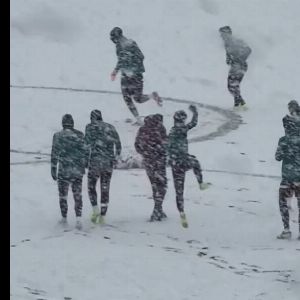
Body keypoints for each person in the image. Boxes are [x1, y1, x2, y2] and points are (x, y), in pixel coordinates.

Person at [168, 105, 211, 228]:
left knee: (179, 190)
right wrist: (195, 112)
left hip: (175, 164)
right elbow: (193, 123)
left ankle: (181, 213)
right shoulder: (181, 130)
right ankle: (201, 183)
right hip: (183, 160)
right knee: (195, 162)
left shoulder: (172, 131)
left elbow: (167, 148)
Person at [110, 27, 162, 125]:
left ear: (118, 36)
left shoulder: (131, 44)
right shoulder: (118, 47)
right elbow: (121, 60)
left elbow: (141, 56)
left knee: (137, 99)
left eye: (114, 38)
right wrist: (115, 71)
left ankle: (152, 96)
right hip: (125, 75)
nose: (114, 41)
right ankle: (139, 119)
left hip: (135, 75)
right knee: (128, 98)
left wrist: (132, 68)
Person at [51, 114, 88, 230]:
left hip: (63, 170)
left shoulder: (57, 136)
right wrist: (84, 165)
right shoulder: (80, 135)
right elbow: (85, 152)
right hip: (77, 169)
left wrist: (53, 169)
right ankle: (78, 218)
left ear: (63, 123)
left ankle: (64, 217)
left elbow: (54, 154)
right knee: (77, 195)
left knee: (63, 195)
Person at [85, 110, 122, 224]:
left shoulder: (90, 127)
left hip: (94, 162)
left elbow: (86, 145)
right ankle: (103, 214)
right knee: (105, 188)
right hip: (107, 162)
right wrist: (115, 157)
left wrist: (86, 160)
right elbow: (118, 144)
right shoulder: (110, 127)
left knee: (91, 187)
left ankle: (95, 208)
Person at [135, 114, 168, 221]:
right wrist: (161, 153)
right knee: (162, 185)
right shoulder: (160, 129)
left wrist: (145, 153)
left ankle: (158, 208)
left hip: (148, 161)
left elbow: (137, 145)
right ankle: (157, 208)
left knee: (154, 184)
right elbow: (165, 144)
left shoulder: (143, 129)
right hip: (159, 161)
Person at [275, 116, 300, 240]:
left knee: (283, 202)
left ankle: (286, 229)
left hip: (287, 178)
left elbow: (278, 157)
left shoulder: (283, 140)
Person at [219, 26, 251, 109]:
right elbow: (229, 54)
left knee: (233, 85)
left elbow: (248, 49)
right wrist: (229, 60)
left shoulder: (236, 41)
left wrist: (240, 59)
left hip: (240, 66)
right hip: (234, 66)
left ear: (228, 34)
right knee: (231, 86)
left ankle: (239, 104)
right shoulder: (226, 44)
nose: (221, 36)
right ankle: (239, 103)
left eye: (222, 34)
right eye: (221, 34)